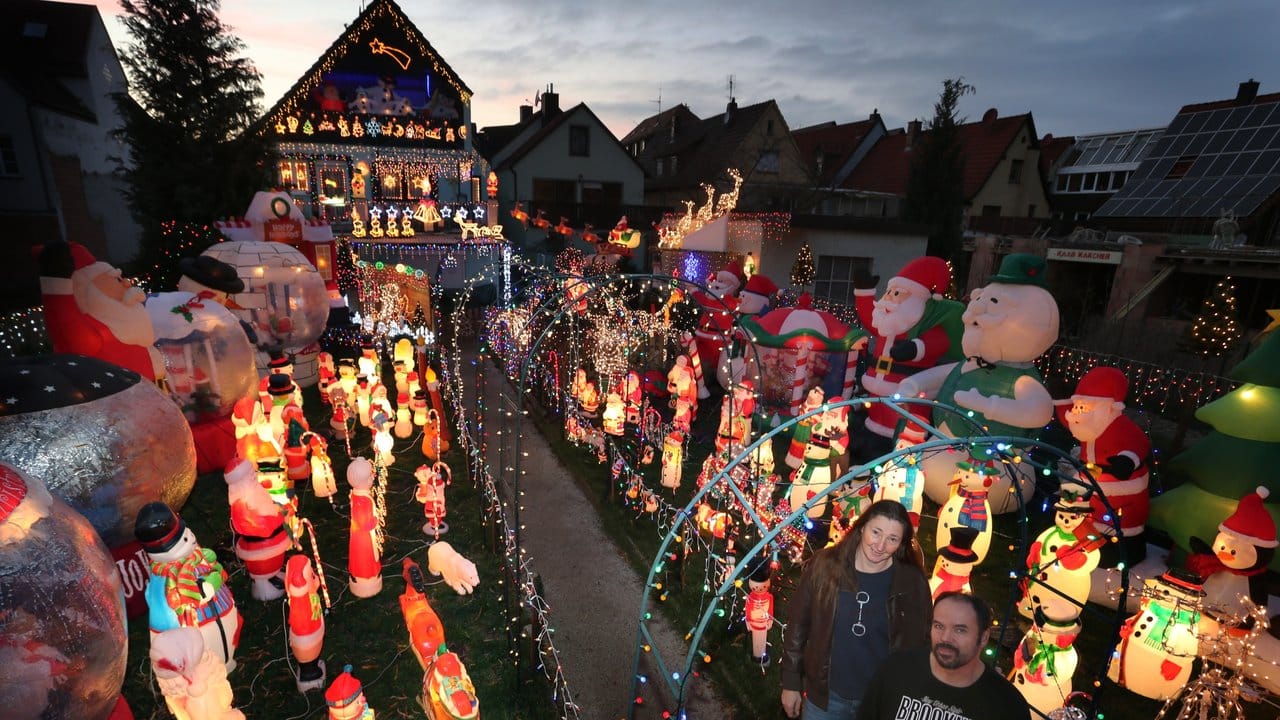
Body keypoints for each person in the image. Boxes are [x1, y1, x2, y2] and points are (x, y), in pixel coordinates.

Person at [781, 500, 931, 719]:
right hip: (825, 699)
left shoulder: (911, 582)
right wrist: (791, 682)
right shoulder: (826, 566)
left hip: (878, 703)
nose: (880, 546)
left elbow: (923, 642)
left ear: (901, 544)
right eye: (876, 532)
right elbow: (798, 625)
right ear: (862, 528)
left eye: (892, 539)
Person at [857, 592, 1029, 720]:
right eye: (939, 626)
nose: (946, 638)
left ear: (984, 637)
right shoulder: (896, 670)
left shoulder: (1007, 705)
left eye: (960, 630)